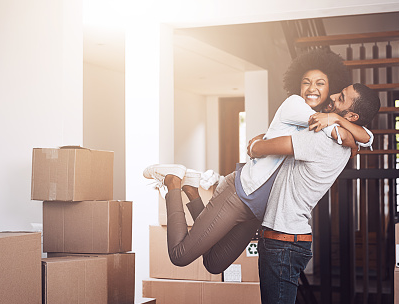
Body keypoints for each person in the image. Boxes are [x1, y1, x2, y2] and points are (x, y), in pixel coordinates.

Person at [143, 49, 372, 276]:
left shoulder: (325, 122)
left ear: (330, 89)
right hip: (241, 193)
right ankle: (173, 182)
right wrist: (347, 136)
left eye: (320, 83)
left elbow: (362, 136)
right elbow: (356, 137)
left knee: (214, 264)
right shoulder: (295, 105)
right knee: (180, 255)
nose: (312, 88)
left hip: (258, 210)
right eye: (306, 82)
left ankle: (192, 192)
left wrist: (338, 122)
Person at [249, 82, 380, 304]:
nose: (332, 96)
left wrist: (255, 145)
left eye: (341, 98)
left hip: (283, 241)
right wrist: (334, 120)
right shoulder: (336, 134)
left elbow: (265, 148)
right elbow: (364, 136)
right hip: (283, 240)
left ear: (351, 116)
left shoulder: (325, 138)